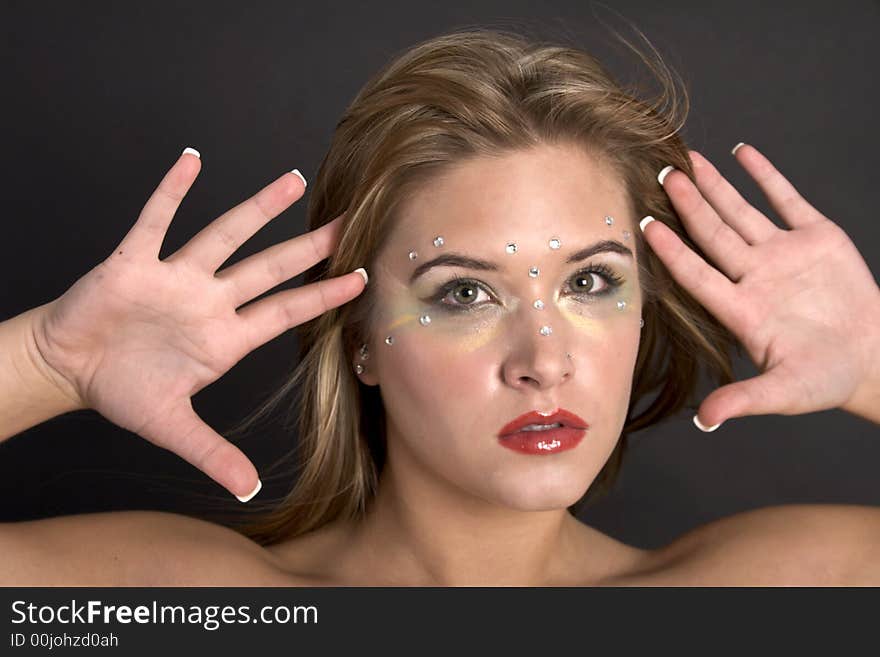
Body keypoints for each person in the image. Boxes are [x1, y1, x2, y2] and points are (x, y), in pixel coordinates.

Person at [1, 28, 878, 586]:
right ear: (360, 342)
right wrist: (48, 361)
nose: (544, 356)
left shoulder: (787, 588)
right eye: (463, 292)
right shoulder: (204, 611)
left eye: (589, 282)